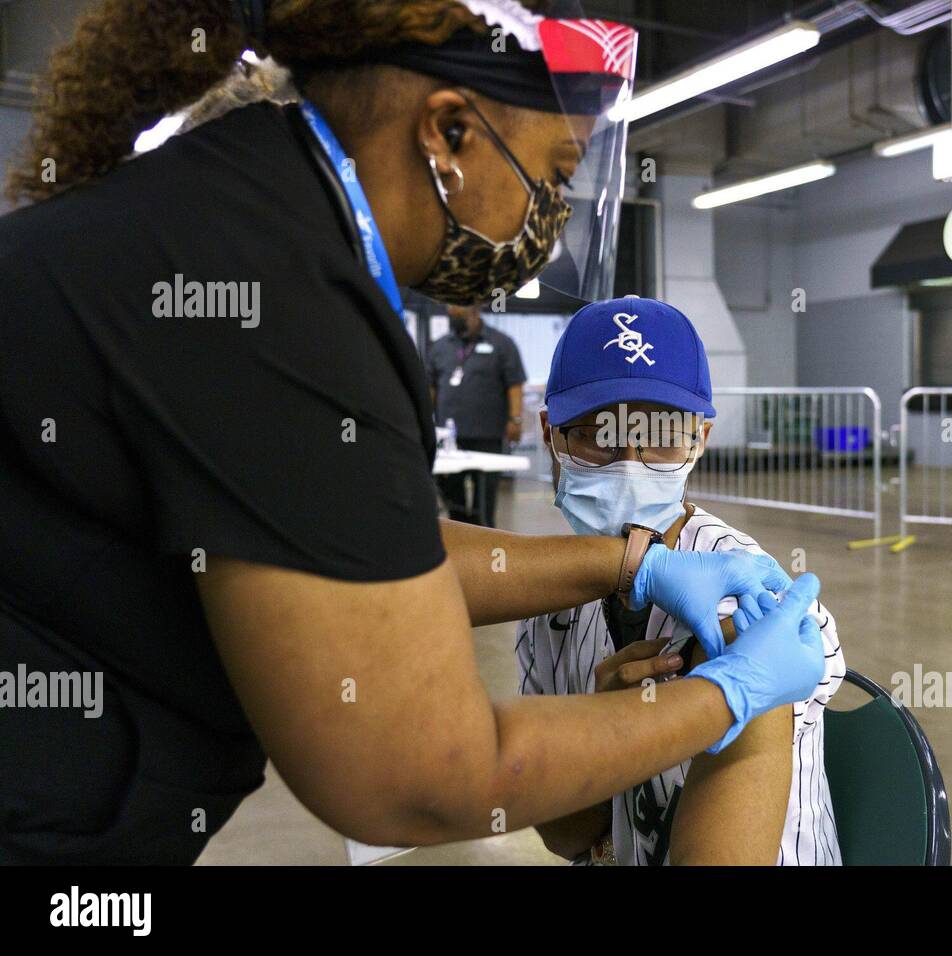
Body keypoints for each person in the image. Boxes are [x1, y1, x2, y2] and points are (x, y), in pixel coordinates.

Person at [0, 0, 827, 864]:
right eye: (549, 173)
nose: (546, 223)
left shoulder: (236, 222)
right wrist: (727, 695)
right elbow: (422, 780)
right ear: (451, 133)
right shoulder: (281, 298)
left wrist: (633, 564)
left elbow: (363, 554)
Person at [518, 297, 845, 865]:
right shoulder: (546, 600)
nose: (629, 462)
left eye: (661, 433)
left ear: (701, 438)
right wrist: (604, 735)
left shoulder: (748, 603)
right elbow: (563, 836)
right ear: (551, 433)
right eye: (598, 434)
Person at [428, 302, 525, 525]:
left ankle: (486, 545)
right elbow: (430, 387)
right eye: (449, 307)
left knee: (484, 504)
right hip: (450, 438)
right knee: (453, 502)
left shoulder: (501, 343)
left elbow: (515, 384)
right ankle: (462, 542)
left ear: (474, 308)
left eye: (457, 306)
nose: (452, 310)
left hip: (488, 435)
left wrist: (516, 419)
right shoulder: (440, 347)